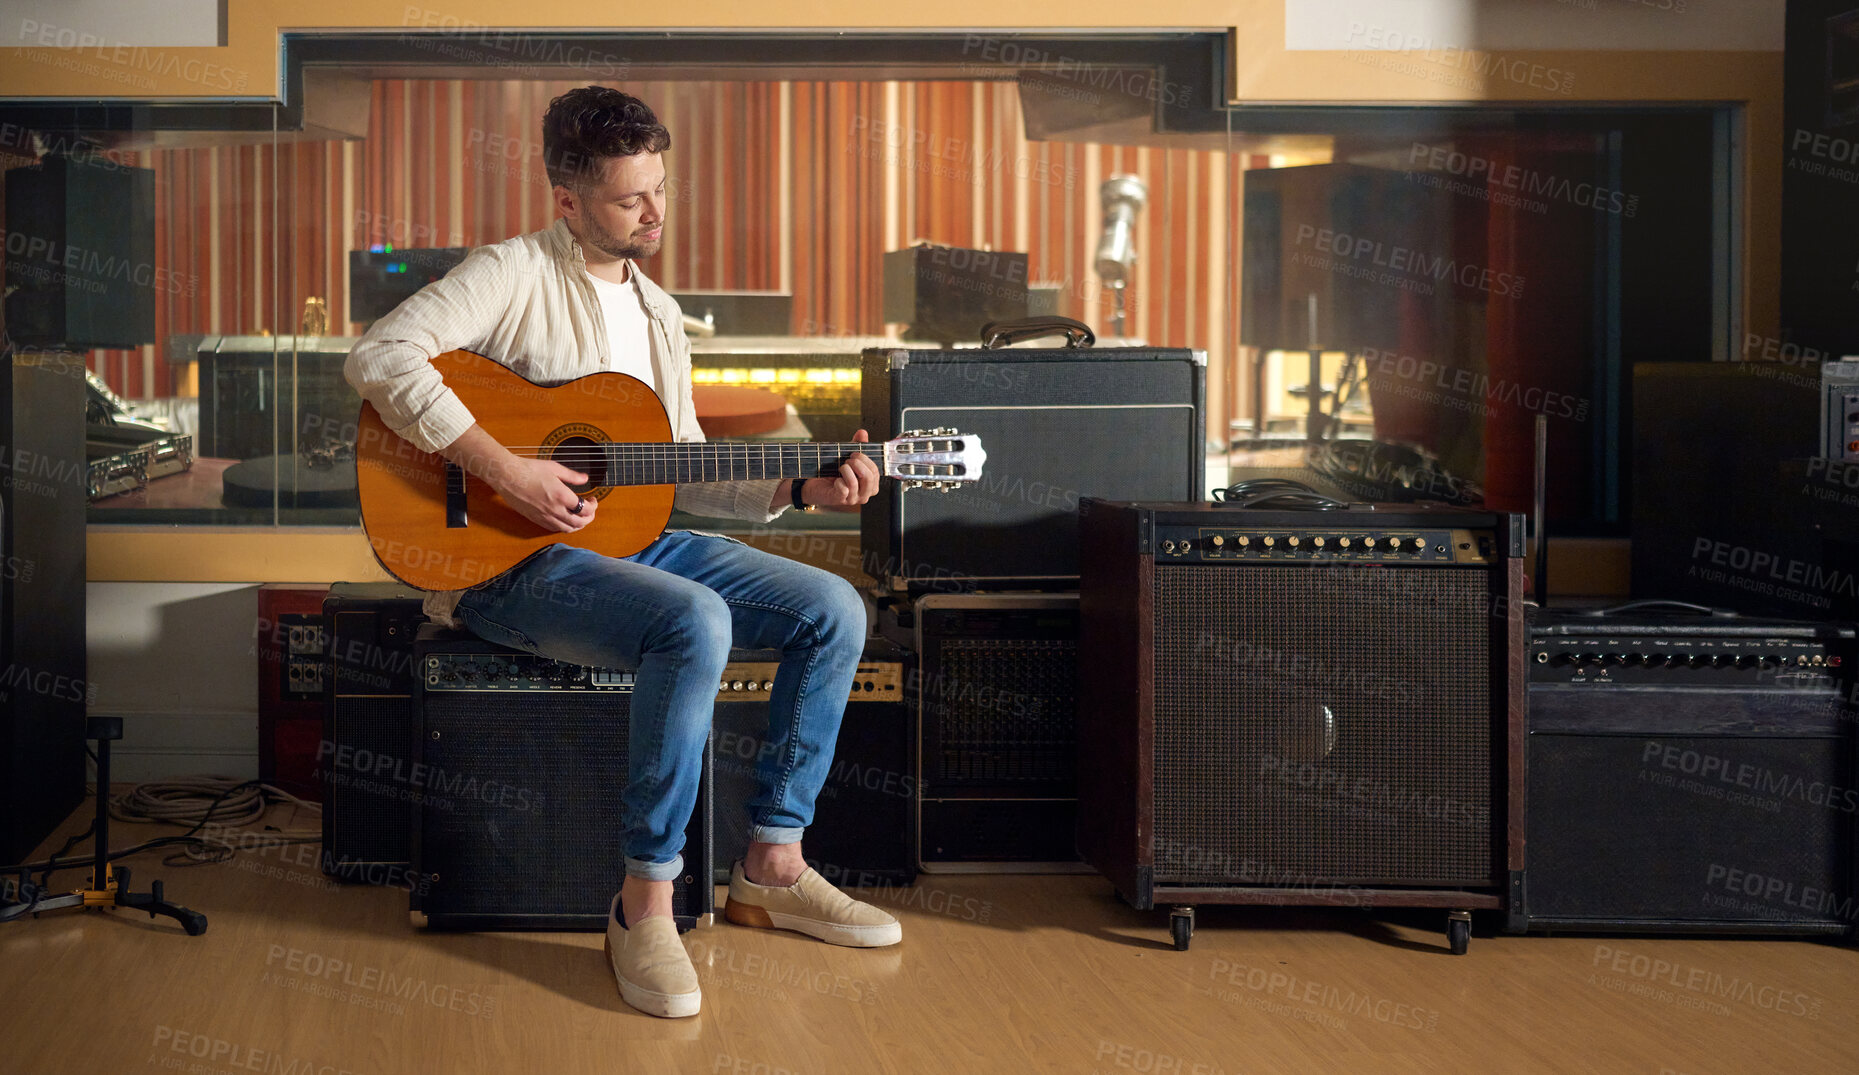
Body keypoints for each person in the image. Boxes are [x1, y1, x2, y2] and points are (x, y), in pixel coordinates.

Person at [345, 85, 901, 1020]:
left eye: (661, 189)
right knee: (694, 618)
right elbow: (383, 357)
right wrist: (504, 468)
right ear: (566, 199)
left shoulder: (657, 314)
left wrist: (804, 485)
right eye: (629, 197)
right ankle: (645, 900)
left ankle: (772, 860)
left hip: (631, 541)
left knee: (833, 605)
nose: (654, 213)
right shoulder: (510, 272)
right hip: (502, 564)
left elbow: (676, 466)